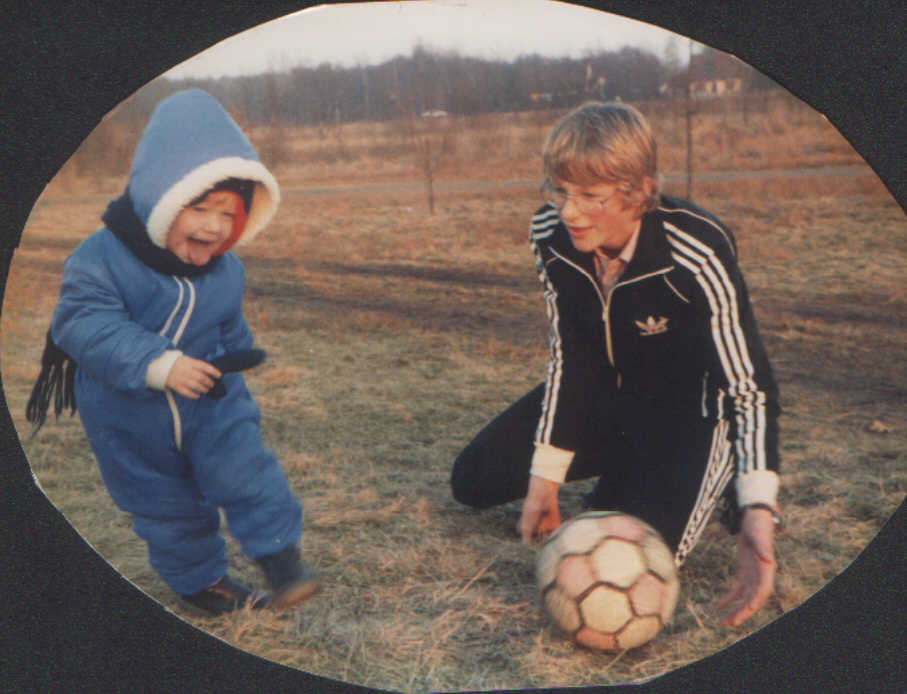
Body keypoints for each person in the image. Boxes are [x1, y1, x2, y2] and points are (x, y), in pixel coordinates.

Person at [451, 102, 781, 627]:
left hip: (687, 415)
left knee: (629, 560)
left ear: (639, 192)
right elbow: (571, 355)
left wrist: (758, 507)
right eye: (559, 191)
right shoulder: (549, 236)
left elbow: (748, 387)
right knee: (472, 480)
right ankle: (626, 466)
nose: (569, 212)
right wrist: (546, 478)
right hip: (609, 400)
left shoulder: (695, 248)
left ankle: (702, 478)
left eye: (590, 196)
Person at [26, 89, 319, 616]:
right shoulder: (102, 257)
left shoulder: (226, 270)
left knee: (247, 468)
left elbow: (228, 322)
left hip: (210, 399)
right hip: (129, 415)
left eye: (228, 213)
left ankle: (282, 560)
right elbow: (82, 322)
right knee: (166, 503)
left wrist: (238, 354)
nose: (213, 225)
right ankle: (203, 584)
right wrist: (159, 364)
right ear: (160, 196)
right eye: (199, 207)